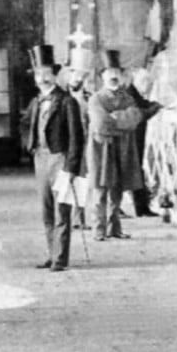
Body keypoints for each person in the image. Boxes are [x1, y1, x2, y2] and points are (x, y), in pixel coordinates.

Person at [23, 45, 84, 272]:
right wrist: (30, 146)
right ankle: (52, 253)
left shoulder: (68, 102)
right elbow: (27, 125)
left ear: (55, 75)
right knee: (46, 210)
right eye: (39, 74)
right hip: (41, 158)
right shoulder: (37, 101)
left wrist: (71, 167)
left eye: (47, 74)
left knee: (62, 210)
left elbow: (77, 138)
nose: (43, 78)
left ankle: (60, 258)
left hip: (60, 158)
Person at [86, 50, 150, 242]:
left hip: (121, 149)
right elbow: (100, 124)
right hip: (101, 149)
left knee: (117, 189)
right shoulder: (96, 99)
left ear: (122, 76)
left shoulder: (128, 98)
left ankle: (115, 228)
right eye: (109, 72)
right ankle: (99, 229)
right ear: (102, 75)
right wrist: (122, 124)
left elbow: (135, 119)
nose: (113, 76)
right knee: (100, 189)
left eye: (117, 72)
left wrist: (116, 120)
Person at [64, 46, 95, 229]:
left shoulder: (89, 97)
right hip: (67, 145)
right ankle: (65, 218)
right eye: (76, 74)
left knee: (82, 181)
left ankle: (79, 219)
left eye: (82, 76)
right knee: (66, 182)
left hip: (85, 144)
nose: (79, 78)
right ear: (70, 74)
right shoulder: (62, 97)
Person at [124, 67, 161, 217]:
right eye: (149, 85)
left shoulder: (133, 93)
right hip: (131, 141)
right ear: (142, 82)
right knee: (135, 172)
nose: (150, 88)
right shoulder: (130, 95)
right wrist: (155, 107)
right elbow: (140, 113)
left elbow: (144, 104)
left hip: (134, 141)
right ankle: (141, 208)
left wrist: (154, 105)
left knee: (137, 171)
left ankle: (142, 208)